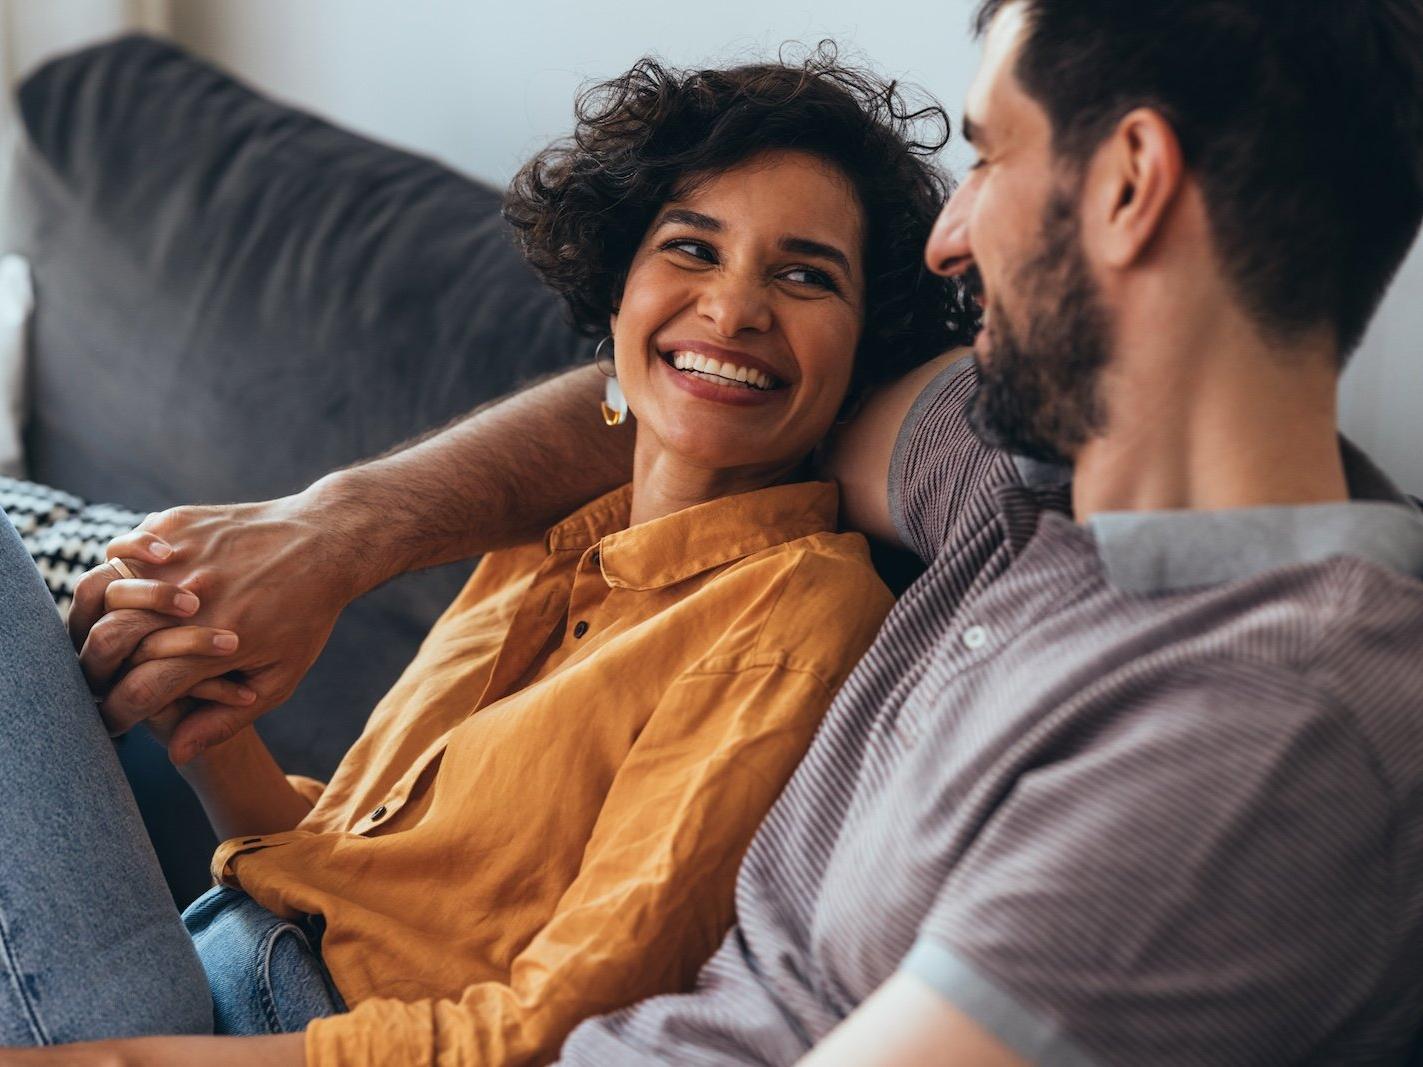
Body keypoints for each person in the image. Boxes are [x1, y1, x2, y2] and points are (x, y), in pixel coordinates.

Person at [29, 1, 1423, 1065]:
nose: (949, 235)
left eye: (990, 152)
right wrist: (341, 531)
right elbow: (692, 396)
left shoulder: (1257, 726)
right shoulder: (1004, 472)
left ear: (1127, 182)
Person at [0, 52, 976, 1065]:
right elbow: (358, 877)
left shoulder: (797, 619)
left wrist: (110, 1060)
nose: (732, 309)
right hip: (218, 966)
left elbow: (553, 1031)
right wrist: (205, 721)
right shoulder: (549, 543)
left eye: (803, 274)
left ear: (866, 349)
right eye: (692, 249)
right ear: (618, 285)